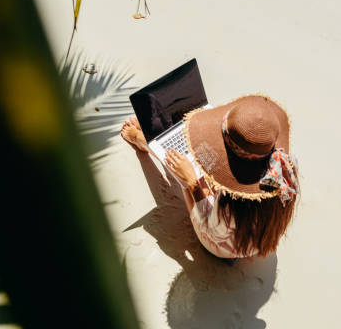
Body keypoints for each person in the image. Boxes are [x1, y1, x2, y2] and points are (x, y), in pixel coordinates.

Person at [121, 95, 299, 259]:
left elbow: (215, 228)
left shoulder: (229, 209)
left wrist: (192, 185)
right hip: (258, 231)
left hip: (229, 244)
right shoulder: (284, 165)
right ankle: (156, 140)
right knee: (200, 168)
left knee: (187, 173)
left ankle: (145, 141)